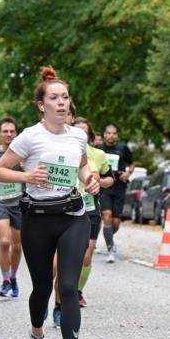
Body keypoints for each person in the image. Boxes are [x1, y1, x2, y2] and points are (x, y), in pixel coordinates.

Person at [0, 66, 99, 339]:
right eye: (54, 98)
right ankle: (37, 334)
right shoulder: (29, 137)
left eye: (65, 97)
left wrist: (90, 180)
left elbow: (83, 168)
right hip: (37, 219)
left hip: (72, 217)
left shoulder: (78, 136)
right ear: (42, 105)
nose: (62, 103)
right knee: (40, 287)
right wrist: (27, 176)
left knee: (67, 286)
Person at [74, 117, 113, 308]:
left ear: (89, 135)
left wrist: (99, 182)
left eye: (85, 131)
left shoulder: (98, 154)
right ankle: (64, 289)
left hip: (91, 208)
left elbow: (110, 179)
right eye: (77, 130)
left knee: (87, 255)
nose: (82, 134)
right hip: (68, 208)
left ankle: (78, 291)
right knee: (69, 254)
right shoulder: (64, 150)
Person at [0, 117, 23, 297]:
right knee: (4, 241)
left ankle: (14, 276)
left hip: (19, 202)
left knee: (17, 246)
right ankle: (5, 280)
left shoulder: (23, 151)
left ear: (16, 133)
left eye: (12, 131)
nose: (9, 134)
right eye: (5, 131)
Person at [97, 123, 134, 263]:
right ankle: (110, 248)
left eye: (114, 133)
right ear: (105, 135)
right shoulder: (99, 149)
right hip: (105, 186)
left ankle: (108, 236)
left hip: (119, 187)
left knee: (116, 222)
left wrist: (128, 173)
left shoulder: (123, 148)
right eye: (108, 133)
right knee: (107, 216)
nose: (111, 135)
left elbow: (132, 163)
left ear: (116, 135)